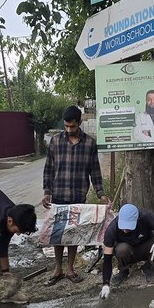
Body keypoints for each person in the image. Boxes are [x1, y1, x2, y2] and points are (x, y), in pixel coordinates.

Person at [42, 105, 108, 284]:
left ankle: (70, 269)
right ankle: (58, 269)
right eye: (66, 126)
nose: (69, 129)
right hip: (58, 195)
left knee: (74, 233)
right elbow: (48, 169)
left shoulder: (89, 143)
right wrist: (47, 191)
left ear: (79, 123)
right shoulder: (55, 142)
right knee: (58, 234)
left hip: (78, 196)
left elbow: (95, 170)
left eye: (72, 126)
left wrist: (100, 193)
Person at [99, 203, 154, 297]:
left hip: (146, 247)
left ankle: (149, 267)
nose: (125, 230)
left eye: (128, 227)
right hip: (128, 251)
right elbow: (107, 259)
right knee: (121, 249)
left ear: (137, 219)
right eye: (123, 226)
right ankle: (124, 271)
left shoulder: (146, 216)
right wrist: (105, 284)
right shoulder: (112, 229)